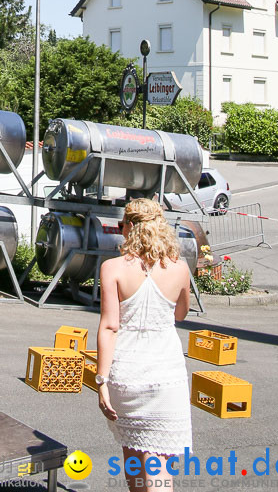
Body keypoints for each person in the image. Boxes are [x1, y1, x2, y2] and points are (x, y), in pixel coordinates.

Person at [96, 198, 192, 492]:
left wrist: (101, 379)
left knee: (135, 459)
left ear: (128, 229)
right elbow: (179, 313)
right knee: (159, 467)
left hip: (128, 374)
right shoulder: (180, 268)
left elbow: (110, 326)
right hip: (166, 374)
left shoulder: (112, 268)